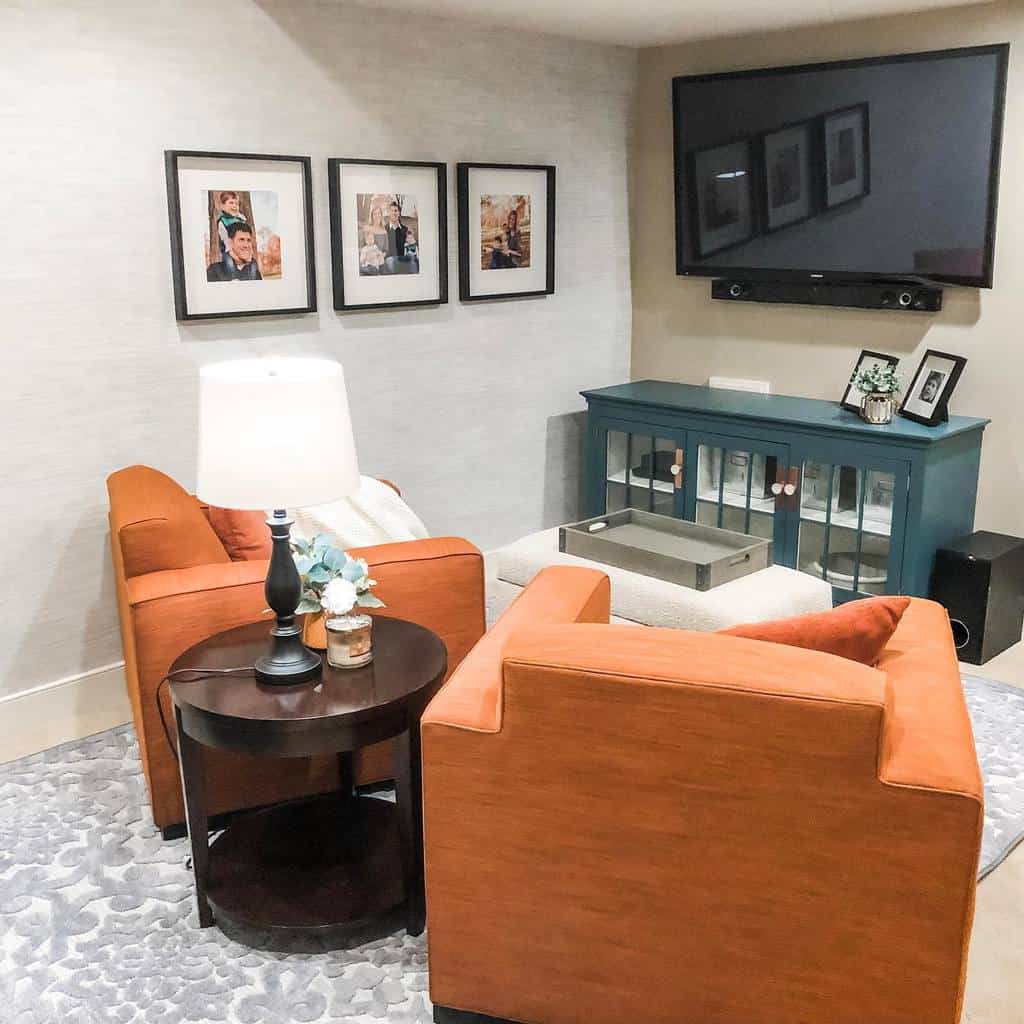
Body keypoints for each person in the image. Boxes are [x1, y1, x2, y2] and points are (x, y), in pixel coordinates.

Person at [216, 191, 248, 260]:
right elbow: (226, 240)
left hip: (242, 250)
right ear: (223, 206)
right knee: (230, 265)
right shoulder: (223, 221)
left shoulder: (241, 219)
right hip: (229, 251)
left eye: (236, 204)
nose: (234, 206)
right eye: (231, 203)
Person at [381, 200, 410, 274]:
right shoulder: (384, 229)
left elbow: (409, 247)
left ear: (399, 213)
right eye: (391, 211)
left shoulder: (405, 229)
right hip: (389, 260)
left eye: (396, 211)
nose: (394, 213)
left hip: (403, 260)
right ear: (389, 213)